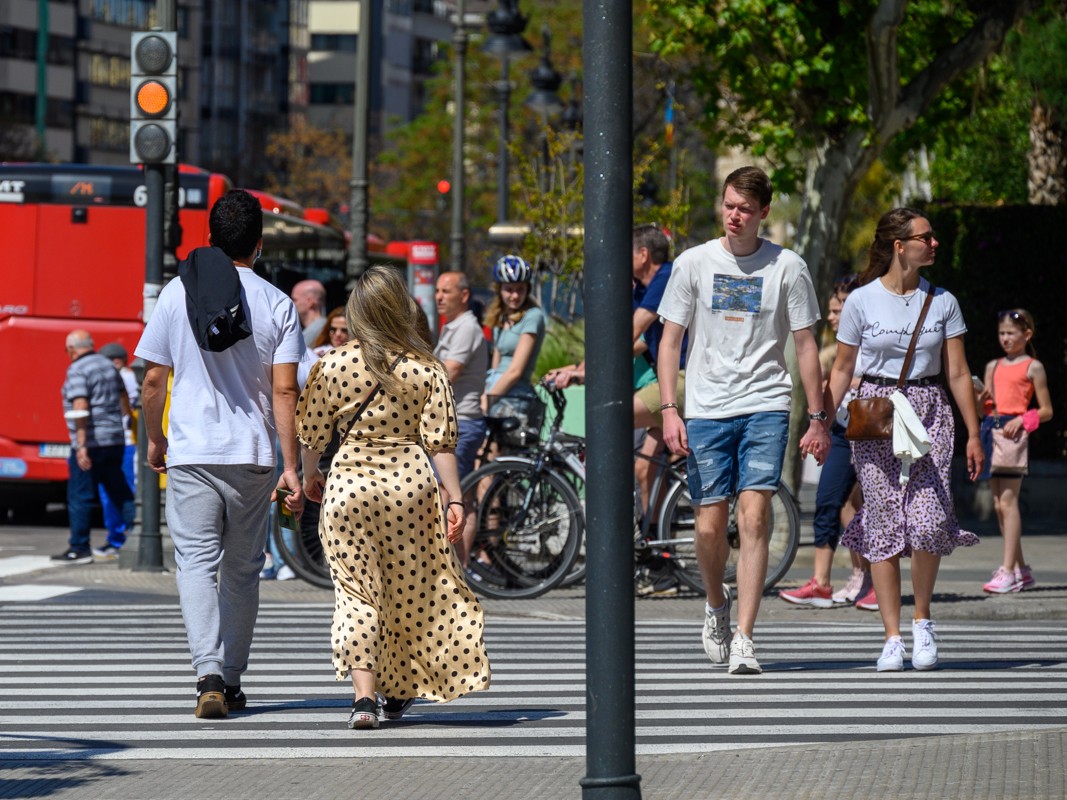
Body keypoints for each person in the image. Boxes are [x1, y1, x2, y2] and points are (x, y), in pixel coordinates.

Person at [296, 265, 490, 730]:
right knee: (410, 590)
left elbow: (312, 433)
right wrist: (456, 499)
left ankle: (365, 699)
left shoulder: (334, 364)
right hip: (409, 486)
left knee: (356, 592)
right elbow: (441, 443)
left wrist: (308, 476)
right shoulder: (426, 369)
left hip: (349, 486)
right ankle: (401, 687)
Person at [136, 189, 305, 718]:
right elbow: (285, 392)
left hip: (190, 451)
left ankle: (206, 672)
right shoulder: (278, 303)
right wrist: (292, 466)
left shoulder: (174, 295)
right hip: (252, 454)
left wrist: (154, 438)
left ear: (209, 239)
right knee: (242, 570)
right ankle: (231, 680)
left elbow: (152, 381)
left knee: (194, 564)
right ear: (258, 245)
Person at [657, 166, 830, 675]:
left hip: (766, 403)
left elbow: (805, 346)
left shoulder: (788, 267)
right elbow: (670, 342)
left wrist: (817, 418)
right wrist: (670, 408)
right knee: (710, 526)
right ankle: (716, 606)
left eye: (745, 209)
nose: (734, 216)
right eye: (729, 205)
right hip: (707, 406)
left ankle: (747, 638)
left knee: (754, 516)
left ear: (764, 213)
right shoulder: (693, 263)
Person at [826, 207, 983, 672]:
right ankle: (892, 636)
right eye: (926, 237)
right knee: (884, 520)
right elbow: (841, 367)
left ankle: (923, 620)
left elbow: (956, 371)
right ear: (900, 246)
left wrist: (974, 433)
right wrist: (818, 422)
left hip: (929, 409)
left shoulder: (943, 301)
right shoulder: (861, 301)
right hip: (876, 411)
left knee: (931, 518)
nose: (934, 243)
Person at [545, 223, 689, 597]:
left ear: (643, 255)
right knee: (643, 468)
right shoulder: (642, 287)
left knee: (611, 417)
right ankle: (660, 561)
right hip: (670, 379)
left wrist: (578, 374)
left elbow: (632, 333)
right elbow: (636, 342)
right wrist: (579, 370)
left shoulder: (667, 277)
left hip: (687, 378)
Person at [779, 276, 877, 610]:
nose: (832, 317)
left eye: (838, 310)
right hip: (840, 432)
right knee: (828, 501)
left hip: (873, 433)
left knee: (872, 508)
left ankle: (874, 580)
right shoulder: (838, 349)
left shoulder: (877, 343)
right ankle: (821, 582)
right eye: (832, 310)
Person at [977, 308, 1053, 594]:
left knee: (1008, 502)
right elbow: (986, 407)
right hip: (991, 430)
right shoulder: (992, 366)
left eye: (1011, 333)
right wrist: (980, 401)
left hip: (1014, 432)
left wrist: (1023, 420)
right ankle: (1020, 569)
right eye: (1001, 333)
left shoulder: (1033, 367)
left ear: (1027, 334)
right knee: (998, 504)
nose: (1005, 338)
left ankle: (1008, 570)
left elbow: (1046, 410)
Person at [52, 331, 136, 564]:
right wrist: (125, 424)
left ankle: (79, 548)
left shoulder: (78, 370)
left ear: (71, 349)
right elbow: (124, 399)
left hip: (91, 441)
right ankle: (136, 536)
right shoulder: (108, 366)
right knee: (119, 492)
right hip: (115, 440)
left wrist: (81, 445)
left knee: (80, 496)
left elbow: (80, 405)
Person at [434, 271, 490, 565]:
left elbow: (449, 371)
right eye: (437, 291)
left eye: (446, 291)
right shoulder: (452, 327)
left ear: (464, 295)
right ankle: (457, 568)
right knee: (458, 496)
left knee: (449, 495)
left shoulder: (467, 328)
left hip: (462, 421)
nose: (439, 297)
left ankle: (452, 568)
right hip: (451, 421)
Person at [481, 255, 546, 440]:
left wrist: (488, 398)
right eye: (509, 289)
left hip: (514, 394)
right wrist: (486, 392)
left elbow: (516, 370)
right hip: (495, 389)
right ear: (499, 290)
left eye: (520, 289)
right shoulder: (501, 318)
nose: (515, 295)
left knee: (494, 454)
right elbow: (496, 364)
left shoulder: (533, 316)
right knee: (483, 455)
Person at [93, 341, 140, 558]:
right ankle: (118, 538)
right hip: (124, 442)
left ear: (116, 362)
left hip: (125, 444)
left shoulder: (124, 378)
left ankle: (119, 539)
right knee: (116, 493)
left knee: (116, 494)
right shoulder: (127, 377)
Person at [291, 279, 328, 346]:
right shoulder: (324, 326)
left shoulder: (318, 330)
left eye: (295, 300)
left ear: (310, 301)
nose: (291, 303)